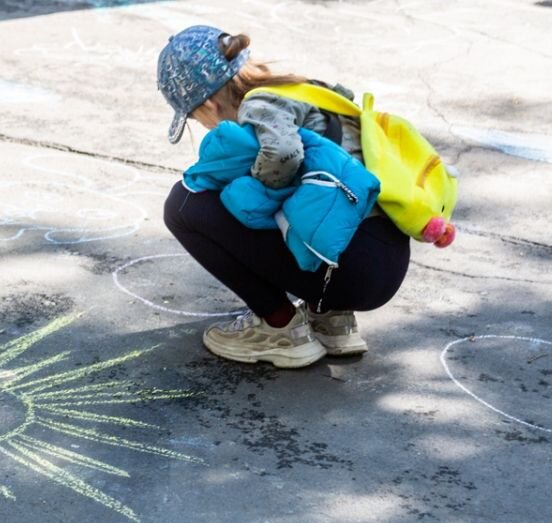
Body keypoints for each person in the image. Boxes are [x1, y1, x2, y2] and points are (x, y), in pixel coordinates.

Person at [158, 26, 411, 369]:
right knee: (312, 198)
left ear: (208, 104)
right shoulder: (306, 91)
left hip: (348, 271)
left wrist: (251, 189)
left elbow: (283, 156)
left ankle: (278, 328)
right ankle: (332, 321)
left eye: (195, 118)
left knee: (183, 205)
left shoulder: (261, 106)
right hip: (386, 262)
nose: (203, 126)